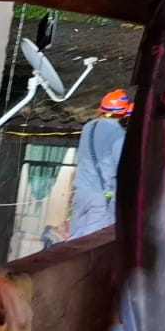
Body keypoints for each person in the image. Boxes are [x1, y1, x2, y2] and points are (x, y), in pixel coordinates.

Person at [71, 88, 131, 239]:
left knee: (73, 239)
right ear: (123, 113)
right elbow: (121, 171)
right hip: (100, 198)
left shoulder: (87, 127)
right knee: (90, 242)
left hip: (80, 193)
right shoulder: (119, 135)